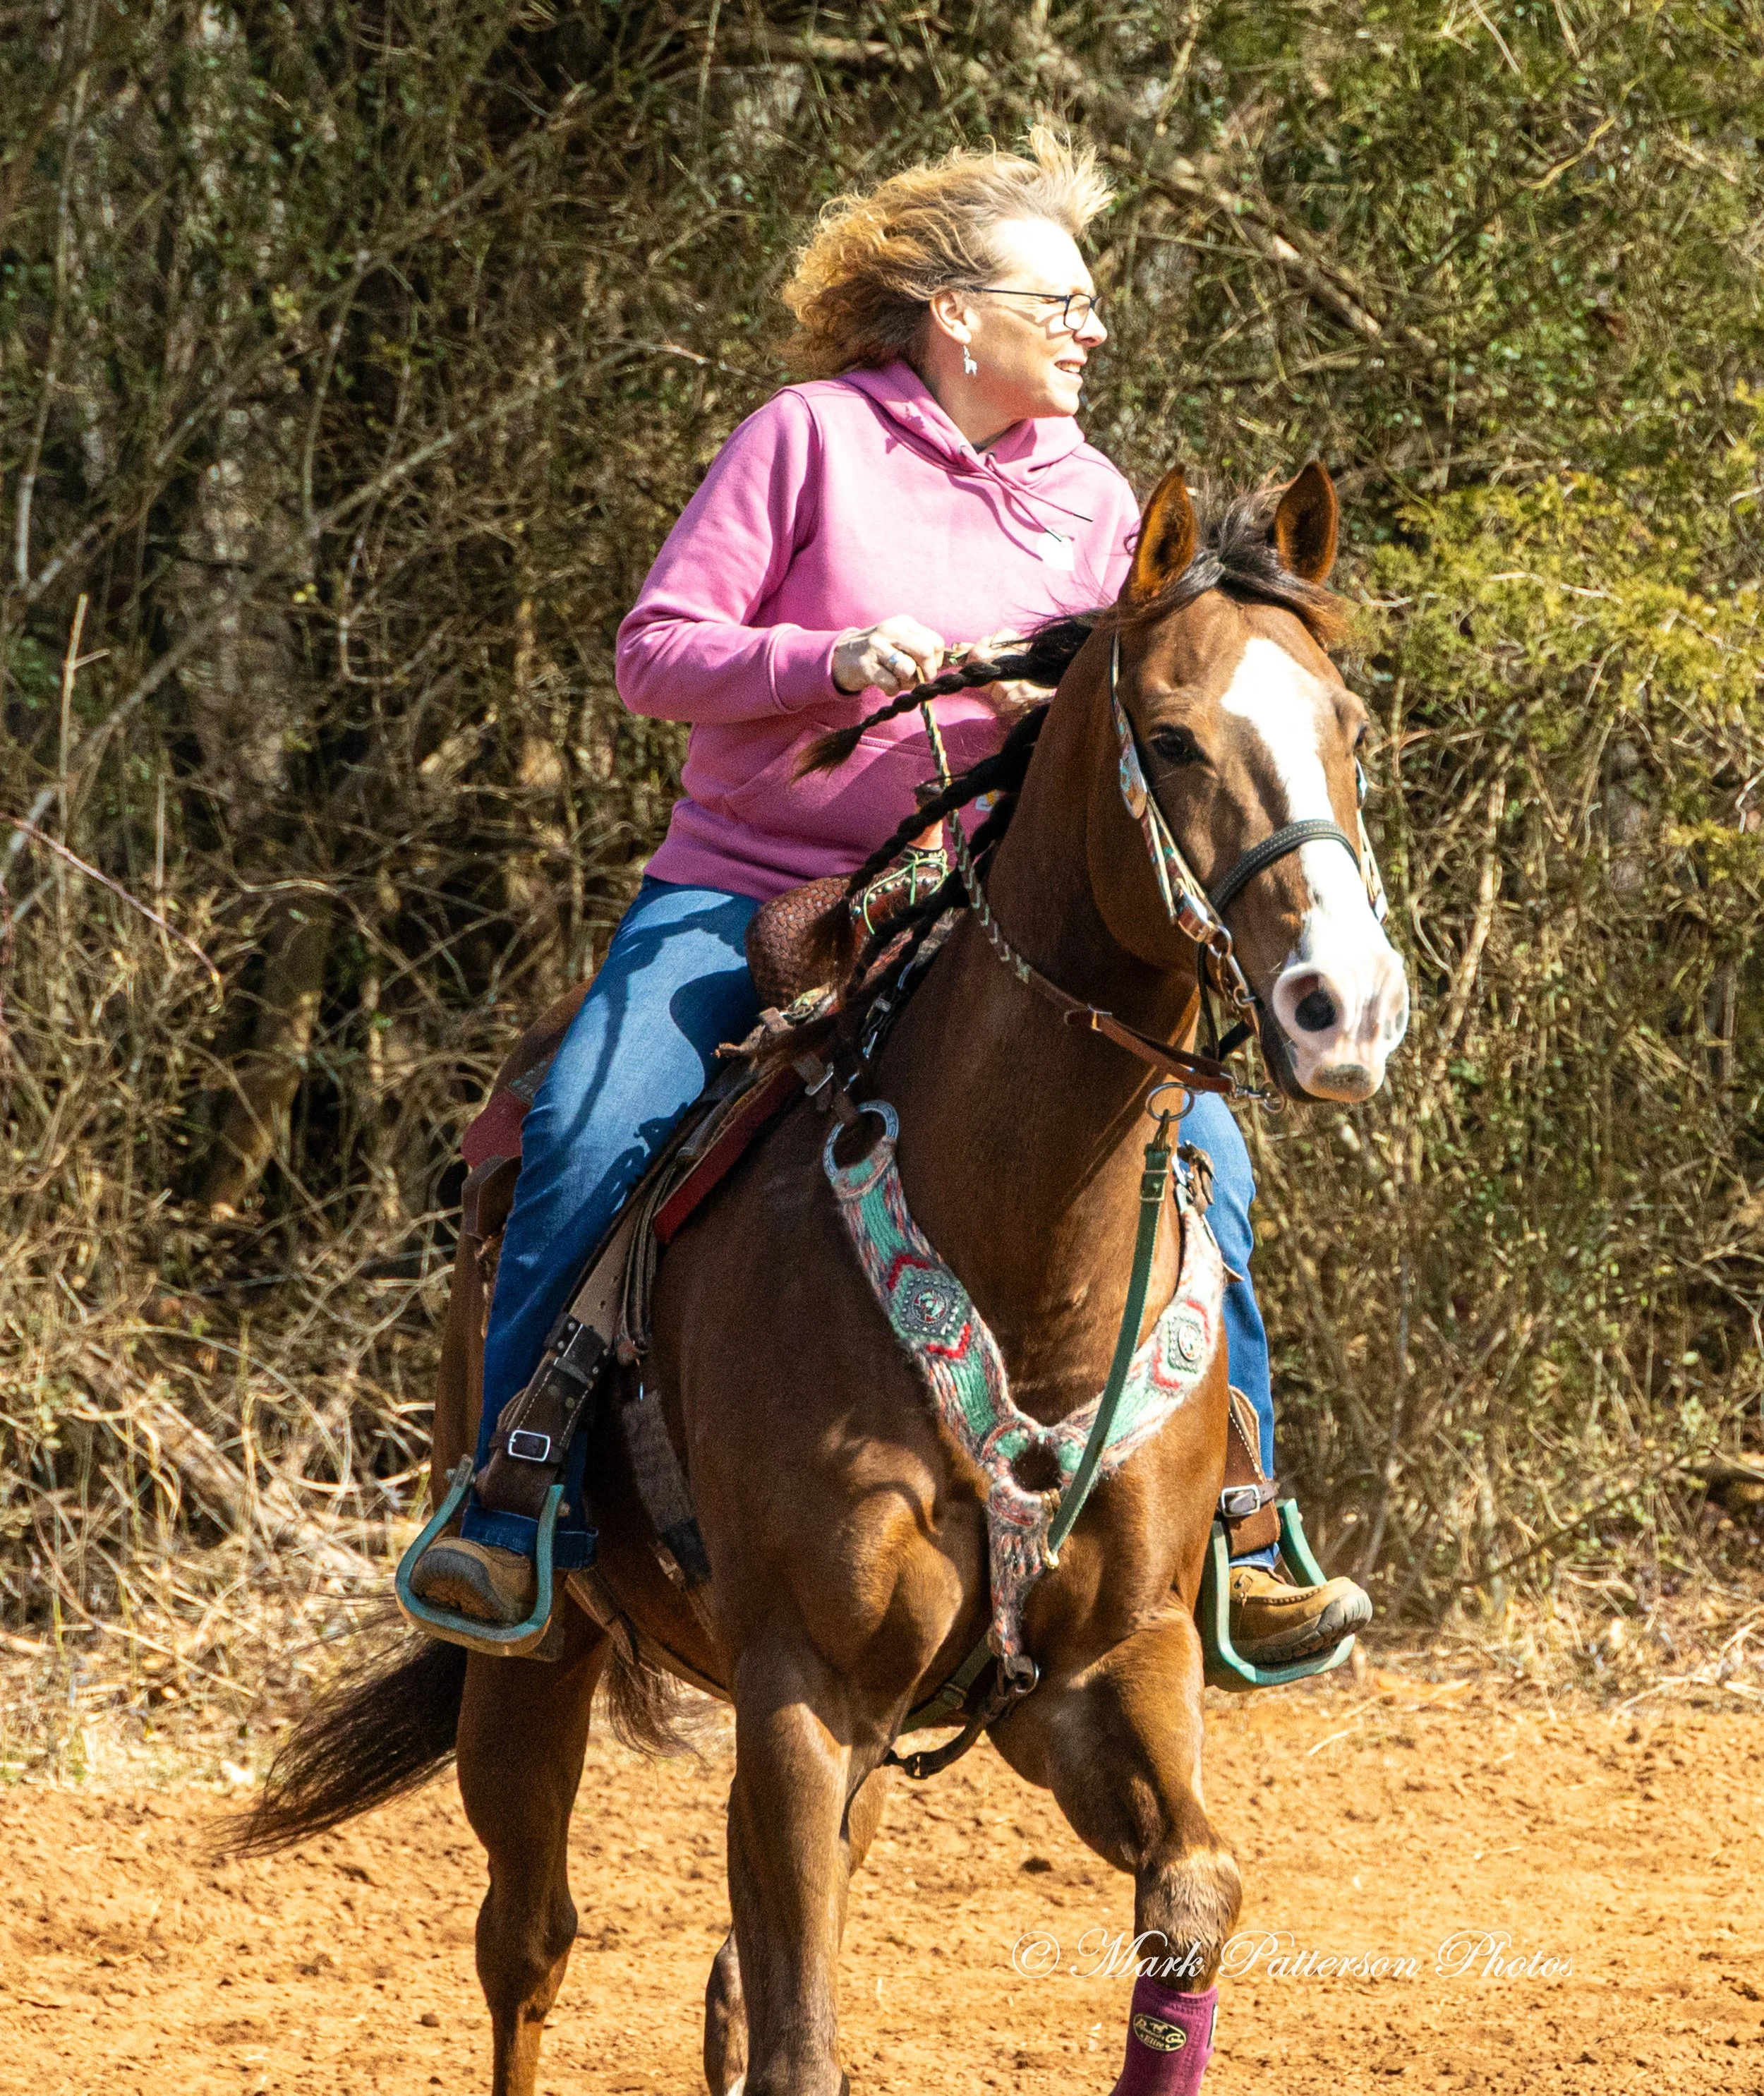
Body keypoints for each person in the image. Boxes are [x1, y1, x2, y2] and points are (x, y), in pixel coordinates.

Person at [409, 132, 1371, 1663]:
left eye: (1091, 304)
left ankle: (1244, 1520)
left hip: (969, 909)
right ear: (951, 314)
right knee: (592, 1120)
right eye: (1058, 300)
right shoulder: (803, 439)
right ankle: (510, 1497)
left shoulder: (1101, 501)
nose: (1091, 329)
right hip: (745, 889)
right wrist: (821, 662)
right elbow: (652, 651)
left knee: (1209, 1153)